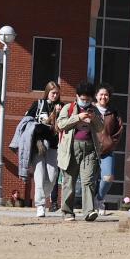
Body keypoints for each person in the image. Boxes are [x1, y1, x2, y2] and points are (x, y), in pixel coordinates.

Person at [56, 80, 104, 222]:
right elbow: (60, 124)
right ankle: (67, 212)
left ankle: (89, 211)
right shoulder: (68, 108)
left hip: (90, 149)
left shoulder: (94, 110)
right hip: (71, 148)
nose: (85, 102)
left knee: (88, 181)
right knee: (69, 181)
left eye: (88, 99)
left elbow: (101, 128)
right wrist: (78, 117)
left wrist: (94, 119)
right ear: (77, 96)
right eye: (83, 99)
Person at [24, 81, 62, 217]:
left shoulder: (61, 107)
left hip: (54, 145)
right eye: (53, 93)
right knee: (39, 176)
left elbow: (62, 126)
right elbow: (27, 121)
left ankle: (43, 195)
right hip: (39, 145)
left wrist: (57, 114)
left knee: (52, 176)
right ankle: (40, 205)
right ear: (47, 92)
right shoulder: (39, 104)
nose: (55, 95)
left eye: (57, 93)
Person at [93, 84, 124, 215]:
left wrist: (111, 143)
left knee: (108, 177)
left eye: (106, 95)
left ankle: (99, 199)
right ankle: (88, 205)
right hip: (91, 150)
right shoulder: (91, 110)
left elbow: (119, 129)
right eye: (101, 94)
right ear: (96, 96)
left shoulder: (113, 112)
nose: (103, 97)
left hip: (107, 150)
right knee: (89, 179)